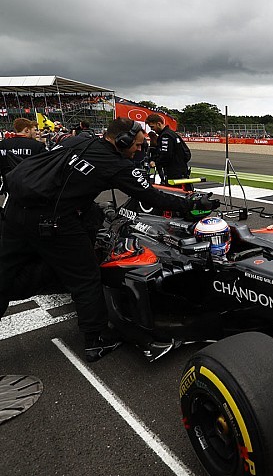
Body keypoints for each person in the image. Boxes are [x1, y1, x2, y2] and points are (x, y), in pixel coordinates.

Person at [0, 117, 219, 362]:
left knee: (4, 271)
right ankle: (96, 341)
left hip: (14, 211)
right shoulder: (115, 164)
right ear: (121, 140)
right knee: (86, 277)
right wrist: (191, 204)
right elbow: (152, 197)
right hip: (54, 220)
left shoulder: (78, 141)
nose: (139, 150)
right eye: (136, 145)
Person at [145, 113, 191, 183]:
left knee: (173, 192)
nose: (152, 129)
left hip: (174, 173)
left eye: (152, 127)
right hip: (181, 170)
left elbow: (165, 155)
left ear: (159, 124)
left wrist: (155, 162)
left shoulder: (166, 136)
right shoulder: (172, 133)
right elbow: (187, 153)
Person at [0, 118, 47, 185]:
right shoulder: (37, 146)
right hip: (31, 187)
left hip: (9, 187)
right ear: (27, 130)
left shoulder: (2, 145)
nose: (36, 132)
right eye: (34, 130)